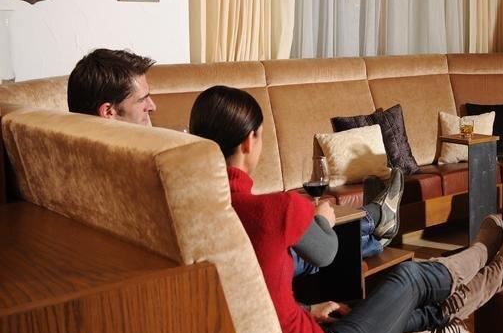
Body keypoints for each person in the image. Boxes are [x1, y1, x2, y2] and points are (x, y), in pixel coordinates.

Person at [189, 85, 503, 333]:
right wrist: (321, 219)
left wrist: (306, 310)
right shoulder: (272, 210)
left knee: (373, 307)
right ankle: (485, 254)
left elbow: (248, 296)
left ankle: (476, 285)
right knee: (407, 278)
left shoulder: (193, 219)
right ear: (249, 141)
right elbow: (326, 253)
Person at [66, 48, 398, 263]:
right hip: (231, 255)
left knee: (300, 243)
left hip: (231, 241)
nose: (152, 106)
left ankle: (374, 223)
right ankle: (375, 223)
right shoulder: (124, 171)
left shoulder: (99, 156)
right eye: (142, 100)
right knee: (300, 252)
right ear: (108, 111)